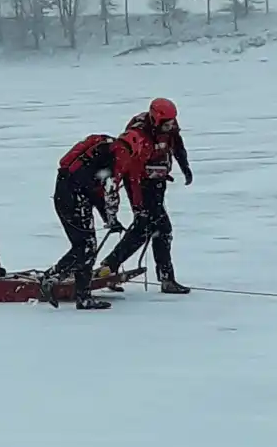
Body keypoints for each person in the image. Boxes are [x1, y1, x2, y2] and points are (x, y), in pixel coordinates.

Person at [39, 129, 153, 310]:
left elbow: (96, 191)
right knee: (86, 246)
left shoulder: (105, 151)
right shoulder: (121, 154)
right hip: (74, 197)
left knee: (86, 245)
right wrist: (111, 215)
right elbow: (109, 190)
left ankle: (82, 296)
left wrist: (109, 219)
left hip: (66, 193)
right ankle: (52, 278)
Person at [97, 98, 192, 294]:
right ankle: (166, 278)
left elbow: (177, 146)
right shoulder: (139, 133)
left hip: (157, 182)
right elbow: (131, 171)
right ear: (156, 119)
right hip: (138, 183)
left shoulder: (170, 126)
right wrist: (139, 204)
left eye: (173, 122)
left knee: (146, 228)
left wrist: (185, 167)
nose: (171, 126)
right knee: (159, 228)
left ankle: (110, 266)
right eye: (167, 123)